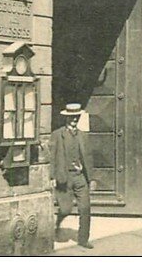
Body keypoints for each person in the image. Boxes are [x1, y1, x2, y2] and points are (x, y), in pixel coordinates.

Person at [51, 103, 94, 249]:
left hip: (80, 177)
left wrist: (91, 177)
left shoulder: (83, 135)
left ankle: (83, 239)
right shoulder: (57, 135)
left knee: (85, 207)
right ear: (66, 118)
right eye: (71, 117)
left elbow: (88, 157)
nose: (74, 119)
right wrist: (52, 177)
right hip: (65, 177)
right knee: (65, 209)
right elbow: (52, 157)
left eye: (76, 117)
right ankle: (58, 223)